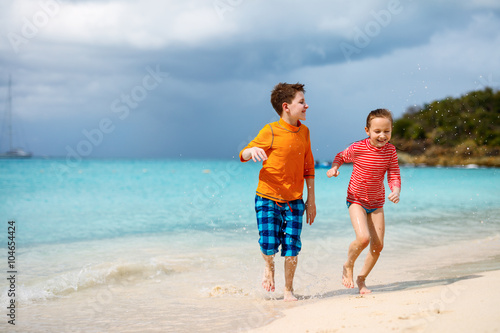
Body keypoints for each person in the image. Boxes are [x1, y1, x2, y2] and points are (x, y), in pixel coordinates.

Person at [239, 82, 316, 301]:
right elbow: (244, 154)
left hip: (295, 201)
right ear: (286, 106)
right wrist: (252, 150)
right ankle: (268, 267)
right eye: (301, 102)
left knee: (292, 245)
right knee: (268, 242)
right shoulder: (270, 130)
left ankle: (288, 290)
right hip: (267, 197)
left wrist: (311, 200)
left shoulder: (305, 132)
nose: (306, 106)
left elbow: (308, 168)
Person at [327, 108, 401, 294]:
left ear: (391, 130)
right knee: (363, 238)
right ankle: (348, 265)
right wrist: (335, 168)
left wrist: (396, 190)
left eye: (387, 131)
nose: (382, 135)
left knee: (378, 245)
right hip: (356, 199)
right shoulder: (358, 148)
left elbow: (393, 173)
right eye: (377, 131)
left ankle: (362, 279)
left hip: (377, 202)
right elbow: (340, 156)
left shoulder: (390, 151)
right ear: (367, 131)